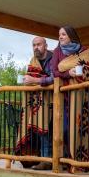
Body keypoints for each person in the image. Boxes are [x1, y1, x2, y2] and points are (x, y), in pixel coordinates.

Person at [51, 26, 89, 173]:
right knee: (66, 129)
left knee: (81, 129)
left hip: (82, 97)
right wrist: (68, 73)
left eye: (63, 34)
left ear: (71, 36)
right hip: (65, 97)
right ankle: (68, 161)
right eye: (59, 34)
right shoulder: (57, 52)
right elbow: (54, 71)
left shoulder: (84, 51)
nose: (60, 37)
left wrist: (80, 72)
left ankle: (82, 162)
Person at [14, 37, 54, 169]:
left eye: (39, 44)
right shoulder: (33, 60)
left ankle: (47, 159)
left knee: (44, 129)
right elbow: (31, 76)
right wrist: (27, 80)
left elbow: (54, 78)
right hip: (36, 102)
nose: (36, 47)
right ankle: (34, 157)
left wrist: (34, 80)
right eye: (34, 45)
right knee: (34, 128)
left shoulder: (54, 58)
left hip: (53, 101)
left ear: (46, 46)